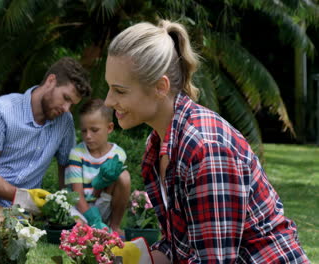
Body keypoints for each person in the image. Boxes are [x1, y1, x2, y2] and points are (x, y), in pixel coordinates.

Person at [104, 20, 309, 263]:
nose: (108, 101)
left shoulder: (206, 149)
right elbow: (178, 247)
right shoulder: (158, 146)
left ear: (160, 87)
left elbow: (214, 260)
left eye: (120, 90)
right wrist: (120, 258)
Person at [0, 57, 92, 213]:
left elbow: (68, 168)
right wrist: (24, 197)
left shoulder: (64, 121)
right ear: (51, 81)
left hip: (31, 213)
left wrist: (66, 208)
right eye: (65, 98)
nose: (66, 108)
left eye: (72, 104)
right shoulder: (1, 110)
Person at [65, 99, 130, 234]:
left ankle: (114, 227)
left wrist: (99, 184)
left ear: (109, 128)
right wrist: (92, 218)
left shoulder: (118, 154)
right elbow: (77, 195)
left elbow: (110, 187)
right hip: (80, 208)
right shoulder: (77, 154)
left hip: (103, 203)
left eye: (94, 130)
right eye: (84, 131)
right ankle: (94, 227)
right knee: (78, 226)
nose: (88, 136)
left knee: (124, 176)